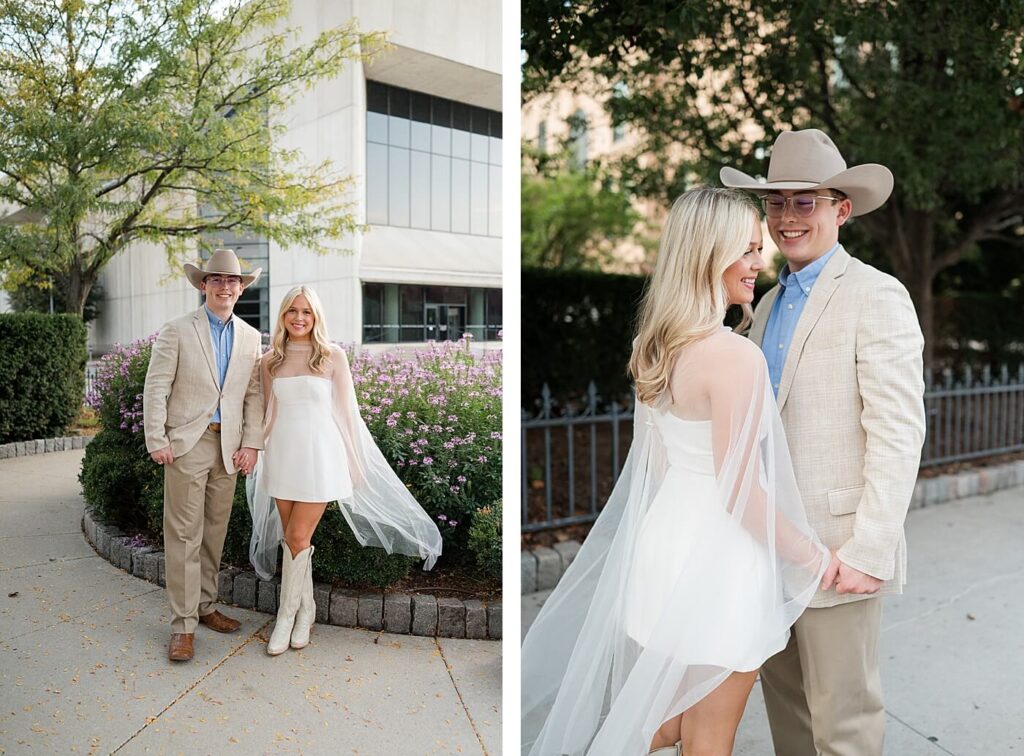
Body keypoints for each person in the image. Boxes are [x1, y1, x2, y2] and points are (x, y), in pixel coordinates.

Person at [521, 187, 834, 755]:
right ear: (708, 255)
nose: (759, 264)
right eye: (746, 251)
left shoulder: (653, 347)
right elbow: (740, 489)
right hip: (720, 564)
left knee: (666, 724)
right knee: (708, 738)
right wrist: (814, 556)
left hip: (664, 550)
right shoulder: (734, 356)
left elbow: (660, 465)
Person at [721, 128, 926, 755]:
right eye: (777, 202)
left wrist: (870, 549)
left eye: (805, 202)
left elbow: (897, 430)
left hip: (839, 553)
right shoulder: (766, 302)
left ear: (842, 209)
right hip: (768, 549)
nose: (787, 218)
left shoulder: (877, 295)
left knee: (844, 725)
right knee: (791, 719)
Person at [246, 285, 443, 656]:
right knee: (291, 539)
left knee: (299, 535)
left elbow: (347, 415)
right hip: (282, 455)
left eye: (306, 311)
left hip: (320, 457)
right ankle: (306, 610)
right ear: (283, 316)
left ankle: (285, 618)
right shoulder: (270, 359)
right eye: (292, 311)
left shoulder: (332, 356)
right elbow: (266, 413)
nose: (299, 318)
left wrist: (354, 460)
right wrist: (256, 449)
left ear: (316, 316)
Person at [142, 248, 264, 662]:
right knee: (182, 535)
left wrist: (251, 443)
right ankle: (182, 626)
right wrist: (156, 438)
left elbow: (252, 394)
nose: (225, 286)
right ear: (204, 285)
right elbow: (156, 387)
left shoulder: (251, 337)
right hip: (187, 444)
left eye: (232, 281)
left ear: (241, 289)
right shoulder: (177, 330)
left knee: (214, 533)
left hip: (228, 447)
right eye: (216, 279)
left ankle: (206, 606)